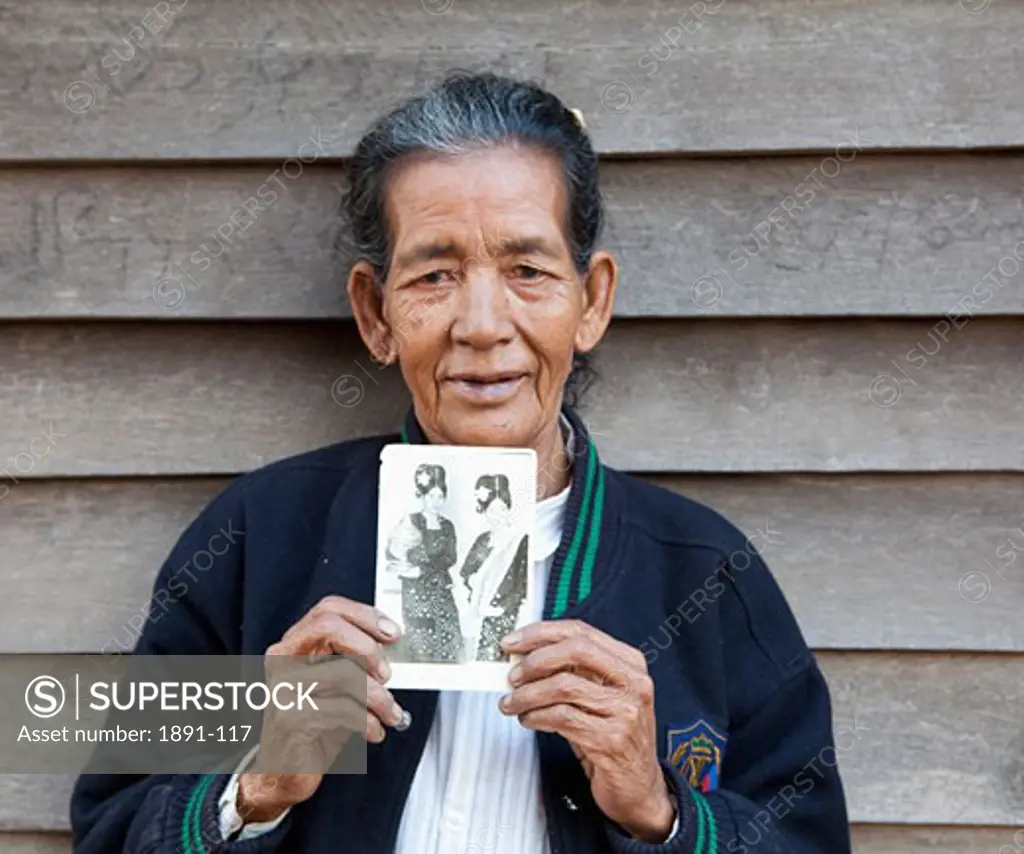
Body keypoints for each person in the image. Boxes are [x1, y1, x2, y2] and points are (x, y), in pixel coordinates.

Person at [71, 71, 852, 853]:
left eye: (528, 271)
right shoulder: (257, 537)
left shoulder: (707, 576)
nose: (481, 325)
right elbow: (110, 828)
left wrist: (657, 809)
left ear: (593, 302)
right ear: (377, 315)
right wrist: (257, 788)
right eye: (435, 274)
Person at [384, 463, 462, 663]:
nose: (436, 501)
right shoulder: (411, 521)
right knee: (420, 631)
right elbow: (393, 549)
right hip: (415, 589)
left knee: (447, 627)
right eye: (431, 496)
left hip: (439, 584)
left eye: (440, 496)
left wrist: (424, 569)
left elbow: (450, 557)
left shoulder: (447, 526)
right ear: (423, 496)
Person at [459, 474, 529, 662]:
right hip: (477, 606)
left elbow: (522, 581)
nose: (496, 515)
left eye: (501, 508)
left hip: (504, 611)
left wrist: (503, 606)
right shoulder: (483, 539)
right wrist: (473, 579)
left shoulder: (520, 540)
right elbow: (466, 570)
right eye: (491, 510)